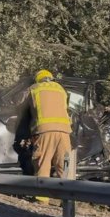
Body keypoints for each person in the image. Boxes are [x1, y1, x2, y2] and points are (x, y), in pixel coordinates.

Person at [28, 69, 72, 204]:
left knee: (43, 163)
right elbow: (65, 108)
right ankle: (67, 200)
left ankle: (41, 199)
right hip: (64, 131)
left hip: (45, 130)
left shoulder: (34, 89)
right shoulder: (60, 89)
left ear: (37, 79)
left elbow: (29, 110)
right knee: (63, 166)